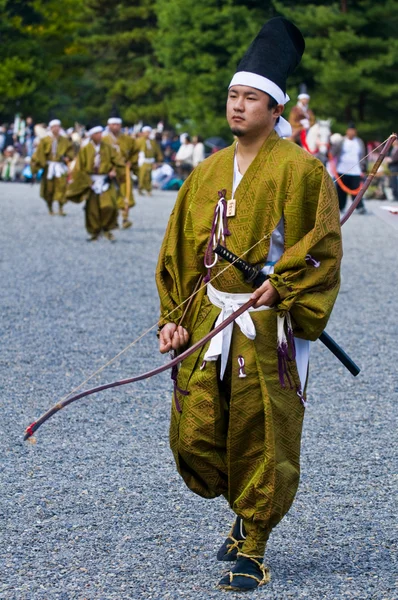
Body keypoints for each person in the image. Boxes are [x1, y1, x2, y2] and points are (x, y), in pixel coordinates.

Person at [156, 17, 342, 592]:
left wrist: (283, 286)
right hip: (211, 315)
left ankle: (255, 544)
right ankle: (241, 507)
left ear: (275, 107)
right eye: (233, 95)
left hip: (270, 322)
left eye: (250, 98)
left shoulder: (301, 169)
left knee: (264, 430)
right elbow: (181, 251)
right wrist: (172, 318)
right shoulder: (206, 170)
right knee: (197, 430)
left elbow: (322, 247)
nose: (237, 106)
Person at [66, 125, 125, 241]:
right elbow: (79, 168)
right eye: (96, 133)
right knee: (92, 209)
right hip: (91, 181)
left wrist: (114, 171)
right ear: (92, 135)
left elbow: (119, 162)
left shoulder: (108, 148)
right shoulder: (85, 149)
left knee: (109, 205)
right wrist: (86, 181)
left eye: (100, 133)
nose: (99, 135)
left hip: (105, 180)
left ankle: (107, 229)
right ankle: (94, 231)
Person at [102, 114, 139, 229]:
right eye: (113, 124)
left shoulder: (128, 140)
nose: (115, 127)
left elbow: (135, 152)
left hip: (123, 170)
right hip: (109, 171)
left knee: (125, 193)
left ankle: (125, 218)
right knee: (110, 195)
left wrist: (131, 163)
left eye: (117, 124)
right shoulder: (104, 140)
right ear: (108, 125)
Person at [31, 119, 74, 216]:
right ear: (51, 128)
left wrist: (68, 157)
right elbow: (39, 154)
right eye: (54, 127)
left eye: (58, 126)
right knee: (49, 188)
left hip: (60, 166)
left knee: (62, 187)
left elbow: (70, 151)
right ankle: (50, 208)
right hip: (49, 166)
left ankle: (61, 208)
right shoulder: (45, 140)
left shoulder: (64, 140)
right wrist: (37, 165)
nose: (56, 128)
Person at [330, 123, 367, 214]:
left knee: (357, 190)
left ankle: (359, 207)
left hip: (356, 171)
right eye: (350, 130)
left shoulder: (359, 142)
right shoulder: (341, 141)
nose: (351, 132)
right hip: (342, 169)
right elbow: (332, 152)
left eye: (353, 131)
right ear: (347, 131)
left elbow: (363, 155)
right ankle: (340, 207)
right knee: (340, 191)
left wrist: (363, 168)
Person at [136, 126, 163, 195]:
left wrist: (158, 161)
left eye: (148, 132)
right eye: (146, 132)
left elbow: (157, 151)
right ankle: (140, 188)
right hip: (142, 160)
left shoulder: (153, 142)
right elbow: (135, 150)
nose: (147, 134)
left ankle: (148, 190)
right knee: (142, 175)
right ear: (143, 133)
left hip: (151, 160)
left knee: (149, 176)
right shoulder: (139, 140)